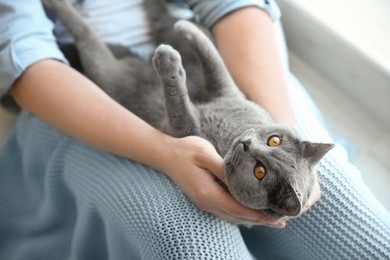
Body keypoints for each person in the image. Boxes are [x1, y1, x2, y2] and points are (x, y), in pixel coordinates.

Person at [0, 0, 389, 259]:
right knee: (185, 239)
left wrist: (275, 122)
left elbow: (234, 4)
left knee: (339, 207)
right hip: (86, 90)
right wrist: (164, 152)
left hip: (206, 51)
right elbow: (22, 54)